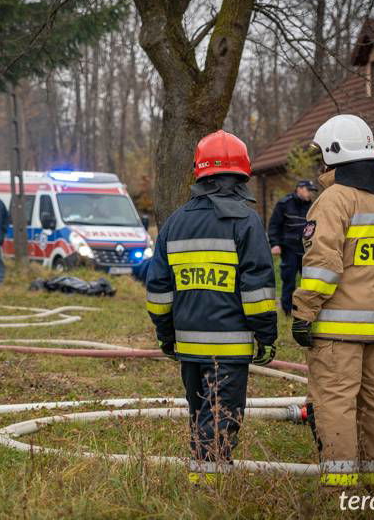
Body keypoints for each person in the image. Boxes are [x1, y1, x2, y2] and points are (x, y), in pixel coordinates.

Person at [291, 115, 374, 487]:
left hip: (337, 331)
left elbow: (322, 264)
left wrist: (304, 312)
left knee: (336, 404)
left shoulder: (335, 199)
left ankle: (340, 489)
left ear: (333, 152)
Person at [145, 130, 278, 485]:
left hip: (188, 345)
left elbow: (158, 289)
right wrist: (267, 335)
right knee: (220, 416)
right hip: (230, 346)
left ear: (199, 172)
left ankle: (206, 477)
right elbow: (258, 288)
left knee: (200, 411)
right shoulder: (246, 222)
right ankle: (207, 486)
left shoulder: (175, 222)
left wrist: (166, 336)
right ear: (242, 173)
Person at [268, 179, 318, 315]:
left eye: (312, 192)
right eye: (309, 190)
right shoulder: (285, 204)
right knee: (288, 280)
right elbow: (274, 225)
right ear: (299, 189)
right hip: (289, 248)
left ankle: (305, 311)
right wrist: (275, 244)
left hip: (306, 250)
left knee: (308, 281)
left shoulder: (312, 207)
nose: (310, 194)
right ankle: (287, 311)